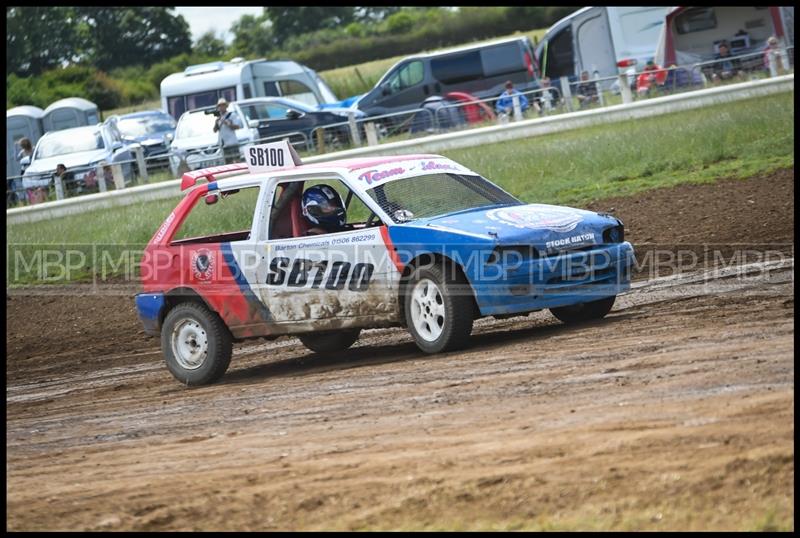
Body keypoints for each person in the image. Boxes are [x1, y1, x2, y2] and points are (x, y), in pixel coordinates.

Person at [213, 98, 241, 164]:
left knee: (237, 160)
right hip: (224, 144)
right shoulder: (218, 117)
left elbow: (237, 126)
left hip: (232, 142)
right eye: (220, 106)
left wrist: (227, 123)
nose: (221, 107)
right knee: (228, 162)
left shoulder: (231, 115)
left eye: (223, 105)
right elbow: (214, 130)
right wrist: (216, 123)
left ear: (226, 106)